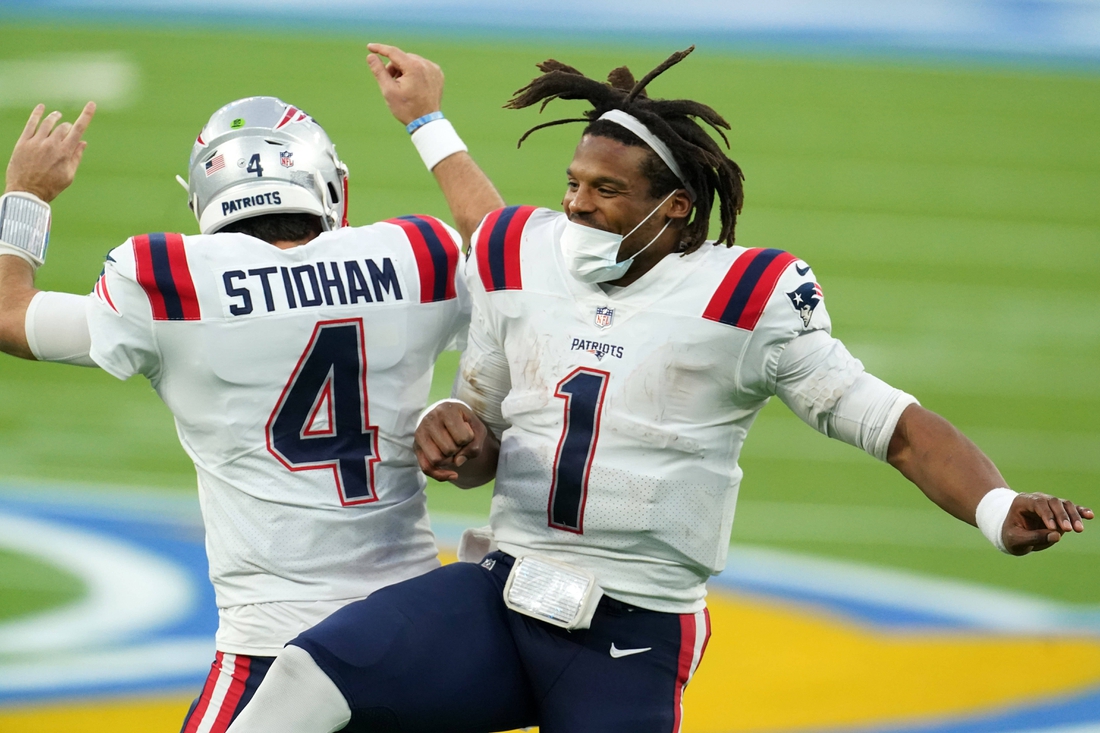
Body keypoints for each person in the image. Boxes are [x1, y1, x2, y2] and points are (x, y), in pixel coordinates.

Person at [225, 48, 1093, 733]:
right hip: (501, 586)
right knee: (307, 677)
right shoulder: (522, 258)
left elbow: (888, 423)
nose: (578, 204)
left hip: (626, 629)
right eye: (572, 182)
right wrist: (459, 432)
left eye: (606, 190)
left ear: (674, 207)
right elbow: (484, 433)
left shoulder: (742, 300)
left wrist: (995, 505)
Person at [0, 45, 503, 733]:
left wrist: (27, 195)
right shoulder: (413, 254)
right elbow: (514, 272)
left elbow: (9, 314)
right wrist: (427, 122)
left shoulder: (167, 279)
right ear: (326, 184)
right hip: (411, 635)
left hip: (275, 644)